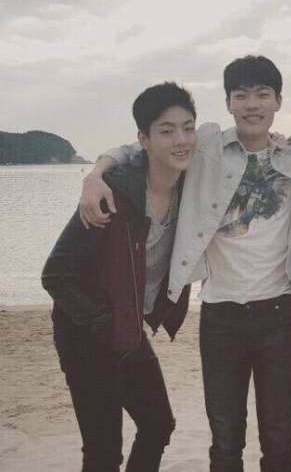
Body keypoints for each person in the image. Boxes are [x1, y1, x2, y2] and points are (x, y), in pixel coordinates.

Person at [78, 55, 291, 472]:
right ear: (228, 103)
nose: (252, 104)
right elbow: (135, 149)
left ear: (279, 101)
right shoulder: (204, 145)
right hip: (220, 317)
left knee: (279, 440)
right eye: (241, 95)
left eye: (262, 94)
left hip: (279, 315)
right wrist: (95, 174)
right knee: (225, 442)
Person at [41, 82, 197, 471]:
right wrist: (105, 323)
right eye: (166, 131)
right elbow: (55, 274)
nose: (181, 140)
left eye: (187, 128)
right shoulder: (112, 195)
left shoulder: (191, 188)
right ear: (144, 140)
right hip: (85, 336)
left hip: (127, 330)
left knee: (158, 425)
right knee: (103, 450)